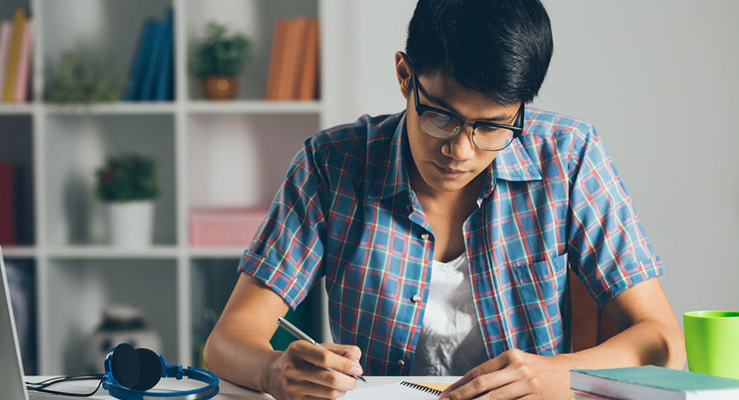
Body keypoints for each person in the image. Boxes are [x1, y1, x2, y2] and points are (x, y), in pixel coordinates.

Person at [203, 0, 686, 399]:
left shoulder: (570, 156)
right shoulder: (332, 163)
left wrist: (564, 374)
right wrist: (272, 371)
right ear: (404, 75)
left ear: (520, 108)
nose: (460, 150)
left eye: (492, 126)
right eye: (441, 116)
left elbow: (662, 339)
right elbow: (227, 340)